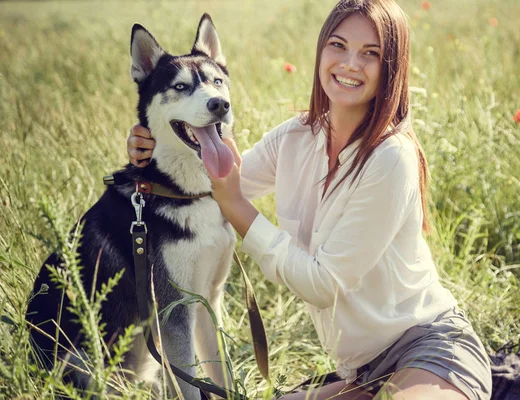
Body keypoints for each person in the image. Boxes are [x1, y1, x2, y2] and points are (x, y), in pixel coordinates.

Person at [127, 0, 492, 398]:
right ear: (321, 52)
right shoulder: (295, 138)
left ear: (392, 67)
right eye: (338, 45)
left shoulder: (392, 158)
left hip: (431, 348)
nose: (350, 64)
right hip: (362, 372)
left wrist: (237, 207)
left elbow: (322, 284)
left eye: (371, 54)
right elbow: (212, 184)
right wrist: (154, 147)